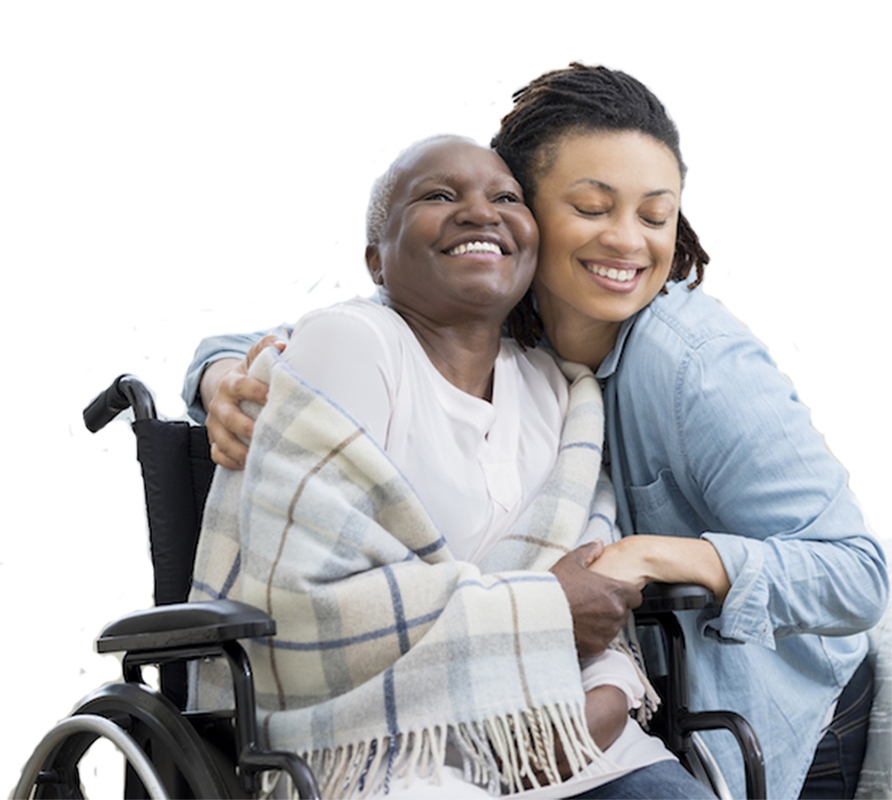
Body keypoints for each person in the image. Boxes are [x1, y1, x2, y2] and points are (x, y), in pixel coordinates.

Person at [184, 66, 889, 799]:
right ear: (529, 211)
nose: (627, 241)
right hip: (531, 691)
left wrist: (649, 554)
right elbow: (330, 333)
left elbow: (857, 573)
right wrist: (221, 373)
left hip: (769, 704)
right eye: (591, 207)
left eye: (655, 217)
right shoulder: (498, 328)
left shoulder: (695, 366)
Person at [188, 135, 707, 800]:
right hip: (385, 744)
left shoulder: (560, 390)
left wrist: (598, 705)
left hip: (558, 724)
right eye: (438, 195)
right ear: (376, 260)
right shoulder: (354, 343)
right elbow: (308, 600)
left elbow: (596, 600)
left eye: (506, 199)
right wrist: (542, 609)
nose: (481, 212)